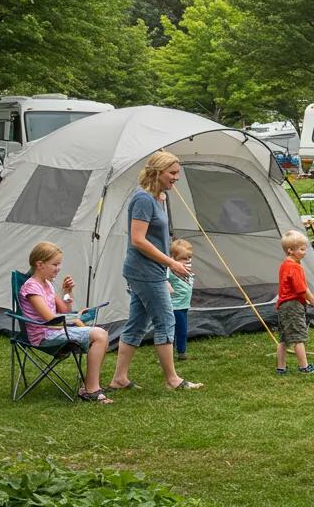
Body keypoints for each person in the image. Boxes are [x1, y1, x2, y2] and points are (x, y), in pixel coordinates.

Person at [109, 150, 202, 393]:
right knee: (165, 320)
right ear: (157, 172)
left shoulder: (160, 197)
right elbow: (137, 240)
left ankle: (119, 378)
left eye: (177, 173)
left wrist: (171, 260)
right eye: (172, 173)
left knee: (137, 324)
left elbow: (157, 237)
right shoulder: (143, 199)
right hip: (143, 270)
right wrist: (171, 264)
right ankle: (172, 379)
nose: (176, 178)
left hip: (154, 269)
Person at [19, 242, 113, 404]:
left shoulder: (47, 284)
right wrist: (76, 319)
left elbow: (64, 309)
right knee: (100, 335)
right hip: (44, 335)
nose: (59, 268)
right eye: (55, 264)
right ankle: (90, 390)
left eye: (59, 264)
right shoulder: (32, 288)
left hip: (54, 330)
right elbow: (50, 318)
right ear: (39, 264)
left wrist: (67, 293)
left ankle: (90, 385)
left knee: (101, 334)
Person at [275, 229, 314, 375]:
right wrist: (313, 301)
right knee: (298, 338)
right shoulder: (295, 267)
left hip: (282, 305)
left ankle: (281, 367)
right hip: (293, 305)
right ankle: (304, 367)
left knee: (283, 339)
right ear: (290, 250)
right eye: (302, 249)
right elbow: (301, 289)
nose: (305, 252)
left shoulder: (284, 265)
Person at [168, 238, 194, 362]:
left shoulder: (187, 270)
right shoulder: (170, 270)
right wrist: (168, 286)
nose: (187, 261)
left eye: (189, 258)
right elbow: (163, 277)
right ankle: (170, 353)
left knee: (182, 331)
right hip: (174, 307)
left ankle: (181, 351)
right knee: (172, 331)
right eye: (184, 258)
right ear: (173, 258)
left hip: (183, 306)